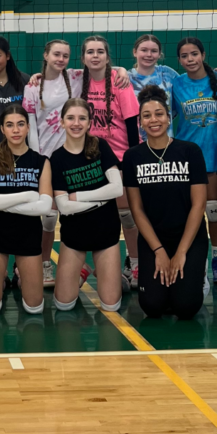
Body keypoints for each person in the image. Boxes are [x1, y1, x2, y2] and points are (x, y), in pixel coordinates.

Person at [124, 86, 209, 320]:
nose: (154, 120)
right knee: (152, 306)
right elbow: (137, 209)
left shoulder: (190, 151)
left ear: (169, 117)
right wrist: (159, 251)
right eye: (147, 115)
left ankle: (196, 275)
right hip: (154, 239)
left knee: (186, 308)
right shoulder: (133, 156)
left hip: (189, 238)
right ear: (140, 122)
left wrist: (181, 252)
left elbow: (198, 206)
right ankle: (174, 283)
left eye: (159, 114)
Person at [0, 105, 53, 316]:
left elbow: (45, 206)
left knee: (34, 307)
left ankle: (20, 276)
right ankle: (0, 278)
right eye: (9, 125)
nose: (16, 130)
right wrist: (28, 196)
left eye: (20, 124)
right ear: (2, 129)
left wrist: (0, 202)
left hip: (28, 235)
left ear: (28, 127)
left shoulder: (41, 161)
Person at [50, 99, 124, 313]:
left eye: (82, 118)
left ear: (89, 122)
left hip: (106, 233)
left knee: (111, 305)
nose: (76, 123)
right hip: (74, 237)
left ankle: (107, 271)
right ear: (62, 122)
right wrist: (101, 199)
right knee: (63, 304)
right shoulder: (58, 158)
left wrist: (78, 196)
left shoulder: (100, 146)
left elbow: (117, 189)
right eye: (70, 118)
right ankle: (82, 270)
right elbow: (64, 208)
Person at [78, 35, 141, 291]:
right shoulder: (76, 79)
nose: (95, 56)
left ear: (107, 56)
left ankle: (135, 264)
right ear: (83, 58)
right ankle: (88, 263)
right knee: (90, 213)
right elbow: (51, 72)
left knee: (126, 214)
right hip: (89, 158)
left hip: (120, 156)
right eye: (90, 52)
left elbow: (131, 121)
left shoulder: (118, 80)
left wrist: (132, 160)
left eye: (100, 51)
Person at [171, 36, 217, 284]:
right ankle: (196, 260)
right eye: (184, 56)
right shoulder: (175, 85)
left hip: (215, 159)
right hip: (186, 160)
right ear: (179, 60)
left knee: (214, 212)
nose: (190, 59)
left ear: (203, 55)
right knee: (189, 215)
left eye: (194, 54)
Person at [21, 40, 81, 288]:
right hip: (45, 158)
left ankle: (76, 266)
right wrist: (38, 158)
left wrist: (120, 71)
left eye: (66, 55)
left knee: (74, 213)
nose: (61, 59)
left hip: (72, 156)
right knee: (48, 218)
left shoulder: (76, 77)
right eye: (56, 54)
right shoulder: (33, 87)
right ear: (45, 55)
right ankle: (45, 264)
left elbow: (104, 70)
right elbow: (31, 125)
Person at [129, 33, 217, 141]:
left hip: (167, 141)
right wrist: (119, 70)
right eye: (144, 50)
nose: (149, 54)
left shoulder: (168, 75)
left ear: (159, 54)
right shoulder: (125, 78)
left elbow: (195, 80)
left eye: (154, 51)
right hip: (137, 140)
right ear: (135, 52)